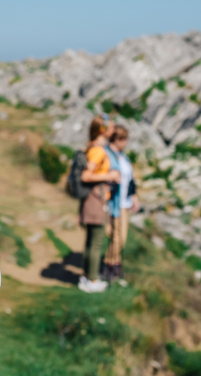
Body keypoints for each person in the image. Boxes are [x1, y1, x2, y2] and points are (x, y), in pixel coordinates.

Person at [78, 114, 120, 293]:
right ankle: (92, 280)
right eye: (111, 127)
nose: (114, 129)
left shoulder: (94, 148)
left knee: (90, 241)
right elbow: (86, 175)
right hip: (97, 199)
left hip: (92, 199)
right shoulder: (97, 151)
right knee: (96, 241)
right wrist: (109, 176)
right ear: (102, 130)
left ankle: (87, 276)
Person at [104, 125, 139, 283]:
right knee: (116, 236)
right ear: (117, 140)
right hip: (113, 201)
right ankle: (110, 265)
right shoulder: (107, 155)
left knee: (121, 237)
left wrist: (134, 196)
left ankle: (114, 264)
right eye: (123, 140)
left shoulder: (123, 157)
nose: (125, 143)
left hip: (125, 201)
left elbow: (130, 178)